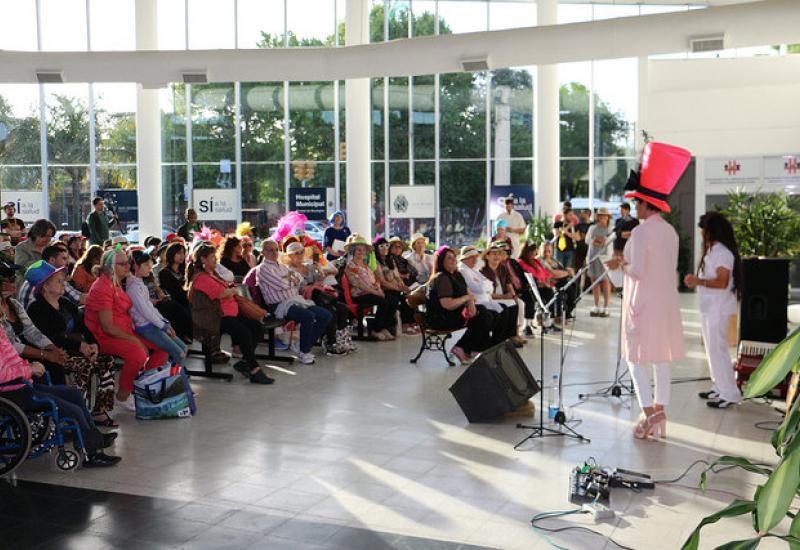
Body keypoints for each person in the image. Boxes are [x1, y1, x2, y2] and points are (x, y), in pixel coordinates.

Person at [606, 141, 691, 440]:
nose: (636, 208)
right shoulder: (670, 231)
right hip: (665, 301)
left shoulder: (641, 232)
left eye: (638, 203)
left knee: (635, 358)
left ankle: (649, 412)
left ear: (645, 204)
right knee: (661, 358)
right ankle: (660, 410)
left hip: (642, 303)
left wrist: (621, 264)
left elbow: (638, 271)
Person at [0, 329, 121, 467]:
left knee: (73, 394)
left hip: (23, 386)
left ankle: (93, 437)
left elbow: (11, 361)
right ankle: (92, 454)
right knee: (73, 411)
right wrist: (29, 369)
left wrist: (29, 366)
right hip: (12, 393)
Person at [25, 262, 118, 427]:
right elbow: (50, 339)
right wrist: (80, 346)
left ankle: (99, 411)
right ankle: (80, 416)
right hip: (56, 354)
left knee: (107, 360)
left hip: (75, 349)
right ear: (45, 287)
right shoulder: (36, 309)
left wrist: (92, 343)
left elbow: (83, 327)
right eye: (59, 281)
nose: (64, 284)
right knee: (84, 366)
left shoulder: (66, 303)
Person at [84, 248, 170, 407]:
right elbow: (108, 327)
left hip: (124, 330)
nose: (128, 267)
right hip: (104, 336)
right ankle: (122, 396)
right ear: (110, 267)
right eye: (122, 264)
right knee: (137, 353)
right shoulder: (101, 288)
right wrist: (135, 340)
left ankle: (144, 386)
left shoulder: (114, 283)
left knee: (163, 345)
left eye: (128, 263)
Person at [188, 243, 274, 383]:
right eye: (212, 258)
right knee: (244, 333)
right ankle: (254, 370)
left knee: (257, 327)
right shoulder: (201, 278)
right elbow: (222, 293)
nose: (215, 260)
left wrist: (231, 289)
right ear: (203, 259)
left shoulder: (212, 273)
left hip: (228, 312)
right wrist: (233, 291)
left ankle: (245, 362)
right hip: (215, 317)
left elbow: (227, 283)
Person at [684, 212, 743, 409]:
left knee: (718, 350)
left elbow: (722, 282)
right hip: (710, 308)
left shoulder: (722, 253)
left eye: (703, 228)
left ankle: (730, 393)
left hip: (718, 308)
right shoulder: (713, 250)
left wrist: (697, 281)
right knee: (711, 350)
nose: (701, 232)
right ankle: (719, 386)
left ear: (711, 231)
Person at [257, 239, 332, 364]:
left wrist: (290, 279)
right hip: (278, 305)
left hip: (295, 300)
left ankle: (301, 344)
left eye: (276, 249)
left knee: (326, 315)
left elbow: (300, 279)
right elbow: (281, 284)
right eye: (270, 250)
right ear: (263, 252)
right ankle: (304, 351)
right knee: (308, 316)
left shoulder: (281, 266)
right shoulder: (263, 268)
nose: (274, 252)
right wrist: (291, 280)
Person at [427, 247, 498, 365]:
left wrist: (471, 305)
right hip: (441, 317)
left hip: (454, 312)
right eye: (449, 258)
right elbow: (447, 304)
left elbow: (468, 292)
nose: (453, 260)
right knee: (483, 316)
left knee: (488, 313)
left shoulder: (456, 275)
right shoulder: (442, 277)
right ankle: (466, 348)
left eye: (454, 257)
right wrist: (467, 299)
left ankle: (470, 348)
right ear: (441, 261)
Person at [284, 241, 354, 355]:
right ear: (289, 256)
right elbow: (296, 289)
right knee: (331, 311)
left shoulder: (309, 265)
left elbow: (320, 278)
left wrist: (320, 271)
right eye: (296, 253)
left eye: (302, 252)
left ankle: (342, 341)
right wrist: (312, 285)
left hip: (319, 296)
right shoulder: (289, 270)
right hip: (304, 299)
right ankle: (330, 342)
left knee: (343, 308)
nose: (300, 255)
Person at [127, 249, 187, 368]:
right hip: (146, 327)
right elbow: (146, 312)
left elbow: (150, 308)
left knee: (183, 348)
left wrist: (165, 323)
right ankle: (177, 383)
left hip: (153, 324)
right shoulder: (133, 287)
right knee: (180, 353)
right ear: (135, 266)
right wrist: (163, 326)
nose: (150, 267)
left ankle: (173, 378)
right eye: (146, 265)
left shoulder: (139, 283)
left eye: (150, 264)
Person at [343, 234, 398, 341]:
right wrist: (376, 292)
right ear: (353, 251)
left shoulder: (365, 264)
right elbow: (359, 284)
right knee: (384, 301)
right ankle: (375, 329)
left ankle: (384, 327)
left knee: (393, 300)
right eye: (358, 250)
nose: (361, 252)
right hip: (360, 294)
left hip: (371, 292)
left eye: (363, 250)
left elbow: (374, 279)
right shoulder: (350, 266)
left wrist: (379, 289)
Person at [458, 245, 517, 344]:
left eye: (475, 257)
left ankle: (500, 340)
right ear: (465, 258)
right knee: (496, 313)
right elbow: (479, 288)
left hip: (485, 299)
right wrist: (485, 286)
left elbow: (490, 287)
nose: (475, 259)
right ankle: (495, 341)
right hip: (476, 303)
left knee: (505, 308)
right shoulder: (463, 270)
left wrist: (484, 286)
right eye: (472, 257)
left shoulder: (473, 269)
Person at [480, 242, 525, 347]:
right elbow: (488, 294)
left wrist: (513, 296)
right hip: (492, 299)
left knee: (517, 303)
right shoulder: (483, 272)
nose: (496, 256)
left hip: (505, 297)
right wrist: (505, 297)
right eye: (493, 254)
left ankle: (513, 334)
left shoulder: (503, 269)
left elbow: (509, 284)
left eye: (498, 254)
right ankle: (505, 337)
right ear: (487, 256)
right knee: (509, 305)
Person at [18, 244, 86, 310]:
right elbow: (80, 299)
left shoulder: (32, 279)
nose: (67, 262)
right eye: (64, 258)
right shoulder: (52, 278)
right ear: (52, 260)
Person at [373, 237, 418, 335]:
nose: (385, 248)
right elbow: (382, 282)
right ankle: (392, 326)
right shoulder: (376, 262)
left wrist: (403, 286)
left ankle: (408, 323)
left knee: (409, 296)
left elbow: (397, 276)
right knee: (396, 299)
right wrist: (398, 288)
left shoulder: (390, 260)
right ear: (376, 248)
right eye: (381, 246)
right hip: (384, 289)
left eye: (386, 245)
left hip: (395, 288)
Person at [585, 207, 613, 317]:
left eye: (604, 216)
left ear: (607, 217)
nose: (602, 218)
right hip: (593, 257)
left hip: (605, 258)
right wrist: (595, 240)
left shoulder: (611, 229)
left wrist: (603, 240)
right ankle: (596, 305)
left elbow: (611, 242)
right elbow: (587, 240)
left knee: (605, 282)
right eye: (600, 216)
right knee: (594, 281)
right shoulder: (592, 228)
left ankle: (606, 307)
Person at [14, 218, 55, 286]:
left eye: (51, 236)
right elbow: (21, 267)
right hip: (27, 285)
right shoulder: (22, 247)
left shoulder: (50, 247)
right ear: (36, 233)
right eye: (45, 236)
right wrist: (45, 263)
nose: (48, 239)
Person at [574, 209, 593, 278]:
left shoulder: (593, 225)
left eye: (582, 213)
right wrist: (585, 236)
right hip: (579, 250)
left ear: (587, 214)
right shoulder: (578, 225)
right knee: (578, 269)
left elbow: (591, 237)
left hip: (590, 250)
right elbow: (577, 237)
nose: (580, 215)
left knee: (589, 269)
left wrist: (584, 235)